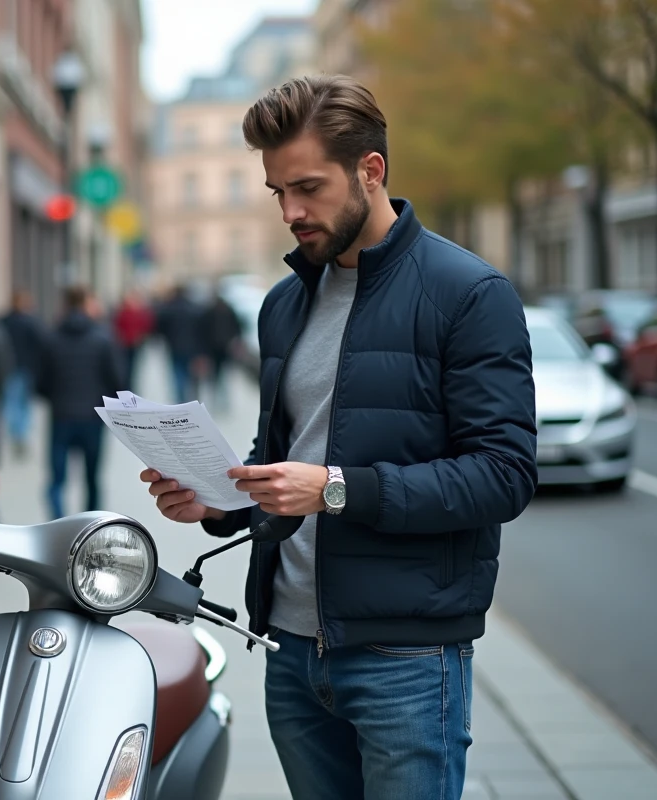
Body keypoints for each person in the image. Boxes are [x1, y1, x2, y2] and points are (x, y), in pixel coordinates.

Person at [141, 74, 537, 800]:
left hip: (406, 658)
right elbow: (283, 462)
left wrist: (334, 488)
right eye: (277, 193)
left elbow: (503, 476)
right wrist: (218, 500)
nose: (291, 211)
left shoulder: (469, 294)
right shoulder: (285, 303)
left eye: (308, 188)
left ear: (371, 170)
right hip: (290, 652)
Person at [37, 285, 126, 519]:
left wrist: (56, 397)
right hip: (93, 418)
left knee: (57, 478)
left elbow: (40, 383)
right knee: (92, 478)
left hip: (61, 416)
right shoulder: (102, 338)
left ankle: (58, 523)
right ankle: (90, 526)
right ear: (87, 304)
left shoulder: (51, 337)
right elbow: (117, 381)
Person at [0, 290, 45, 458]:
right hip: (25, 368)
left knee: (11, 402)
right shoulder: (31, 322)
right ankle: (20, 434)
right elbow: (42, 344)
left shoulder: (4, 321)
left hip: (9, 367)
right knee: (23, 404)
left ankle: (16, 434)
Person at [156, 284, 206, 404]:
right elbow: (202, 332)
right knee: (192, 376)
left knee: (177, 374)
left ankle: (180, 400)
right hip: (193, 349)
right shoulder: (196, 309)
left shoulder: (169, 309)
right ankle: (191, 400)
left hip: (175, 347)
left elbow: (160, 328)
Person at [200, 289, 243, 413]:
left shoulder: (209, 311)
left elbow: (203, 332)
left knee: (216, 375)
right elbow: (237, 327)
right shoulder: (227, 310)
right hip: (223, 348)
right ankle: (223, 401)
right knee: (223, 375)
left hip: (215, 349)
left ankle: (219, 400)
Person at [112, 288, 155, 390]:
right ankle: (126, 386)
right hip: (124, 344)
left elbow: (147, 325)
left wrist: (141, 336)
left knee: (133, 367)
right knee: (125, 367)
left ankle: (130, 387)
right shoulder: (123, 311)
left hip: (135, 344)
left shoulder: (140, 312)